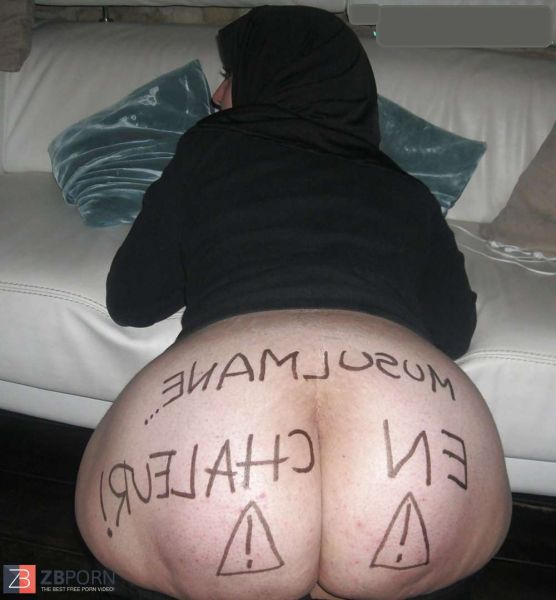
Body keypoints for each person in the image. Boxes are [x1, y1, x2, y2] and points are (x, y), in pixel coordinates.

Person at [75, 6, 512, 600]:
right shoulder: (406, 189)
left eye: (231, 75)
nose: (217, 95)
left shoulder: (210, 148)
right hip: (424, 461)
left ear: (272, 77)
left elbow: (131, 299)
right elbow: (454, 331)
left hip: (201, 464)